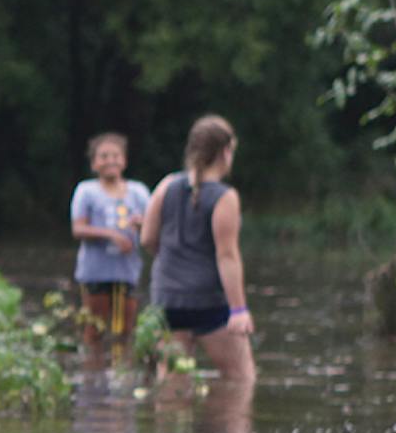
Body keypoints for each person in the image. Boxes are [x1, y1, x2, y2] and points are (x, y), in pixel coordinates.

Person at [140, 114, 257, 383]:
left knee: (172, 380)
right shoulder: (224, 196)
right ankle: (228, 424)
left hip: (166, 298)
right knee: (240, 379)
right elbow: (227, 255)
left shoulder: (166, 185)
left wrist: (173, 263)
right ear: (226, 152)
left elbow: (147, 238)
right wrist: (239, 310)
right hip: (209, 301)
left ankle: (170, 425)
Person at [69, 132, 151, 354]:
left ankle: (120, 378)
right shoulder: (86, 191)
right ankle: (92, 377)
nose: (110, 161)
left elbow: (153, 228)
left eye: (115, 155)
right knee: (94, 330)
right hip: (96, 272)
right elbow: (78, 229)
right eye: (104, 156)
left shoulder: (139, 191)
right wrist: (111, 234)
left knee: (125, 331)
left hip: (127, 271)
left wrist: (141, 224)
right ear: (95, 163)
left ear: (124, 160)